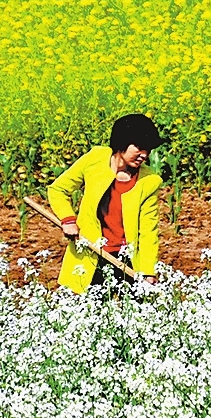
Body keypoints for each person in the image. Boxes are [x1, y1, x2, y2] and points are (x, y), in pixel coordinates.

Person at [47, 113, 164, 292]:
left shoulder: (149, 181)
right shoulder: (95, 159)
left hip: (127, 260)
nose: (144, 155)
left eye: (148, 150)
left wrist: (148, 271)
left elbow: (148, 231)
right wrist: (68, 220)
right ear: (122, 142)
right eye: (139, 147)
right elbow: (58, 190)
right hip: (90, 251)